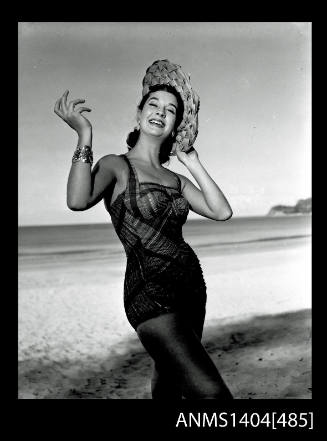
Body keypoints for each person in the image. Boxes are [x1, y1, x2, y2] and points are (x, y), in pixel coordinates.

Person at [54, 60, 234, 399]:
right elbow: (77, 200)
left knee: (168, 385)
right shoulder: (115, 165)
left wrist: (192, 162)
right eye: (153, 104)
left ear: (174, 124)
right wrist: (84, 134)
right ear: (138, 114)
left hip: (192, 291)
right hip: (149, 296)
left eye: (170, 110)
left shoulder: (177, 180)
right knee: (213, 396)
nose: (160, 112)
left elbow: (221, 211)